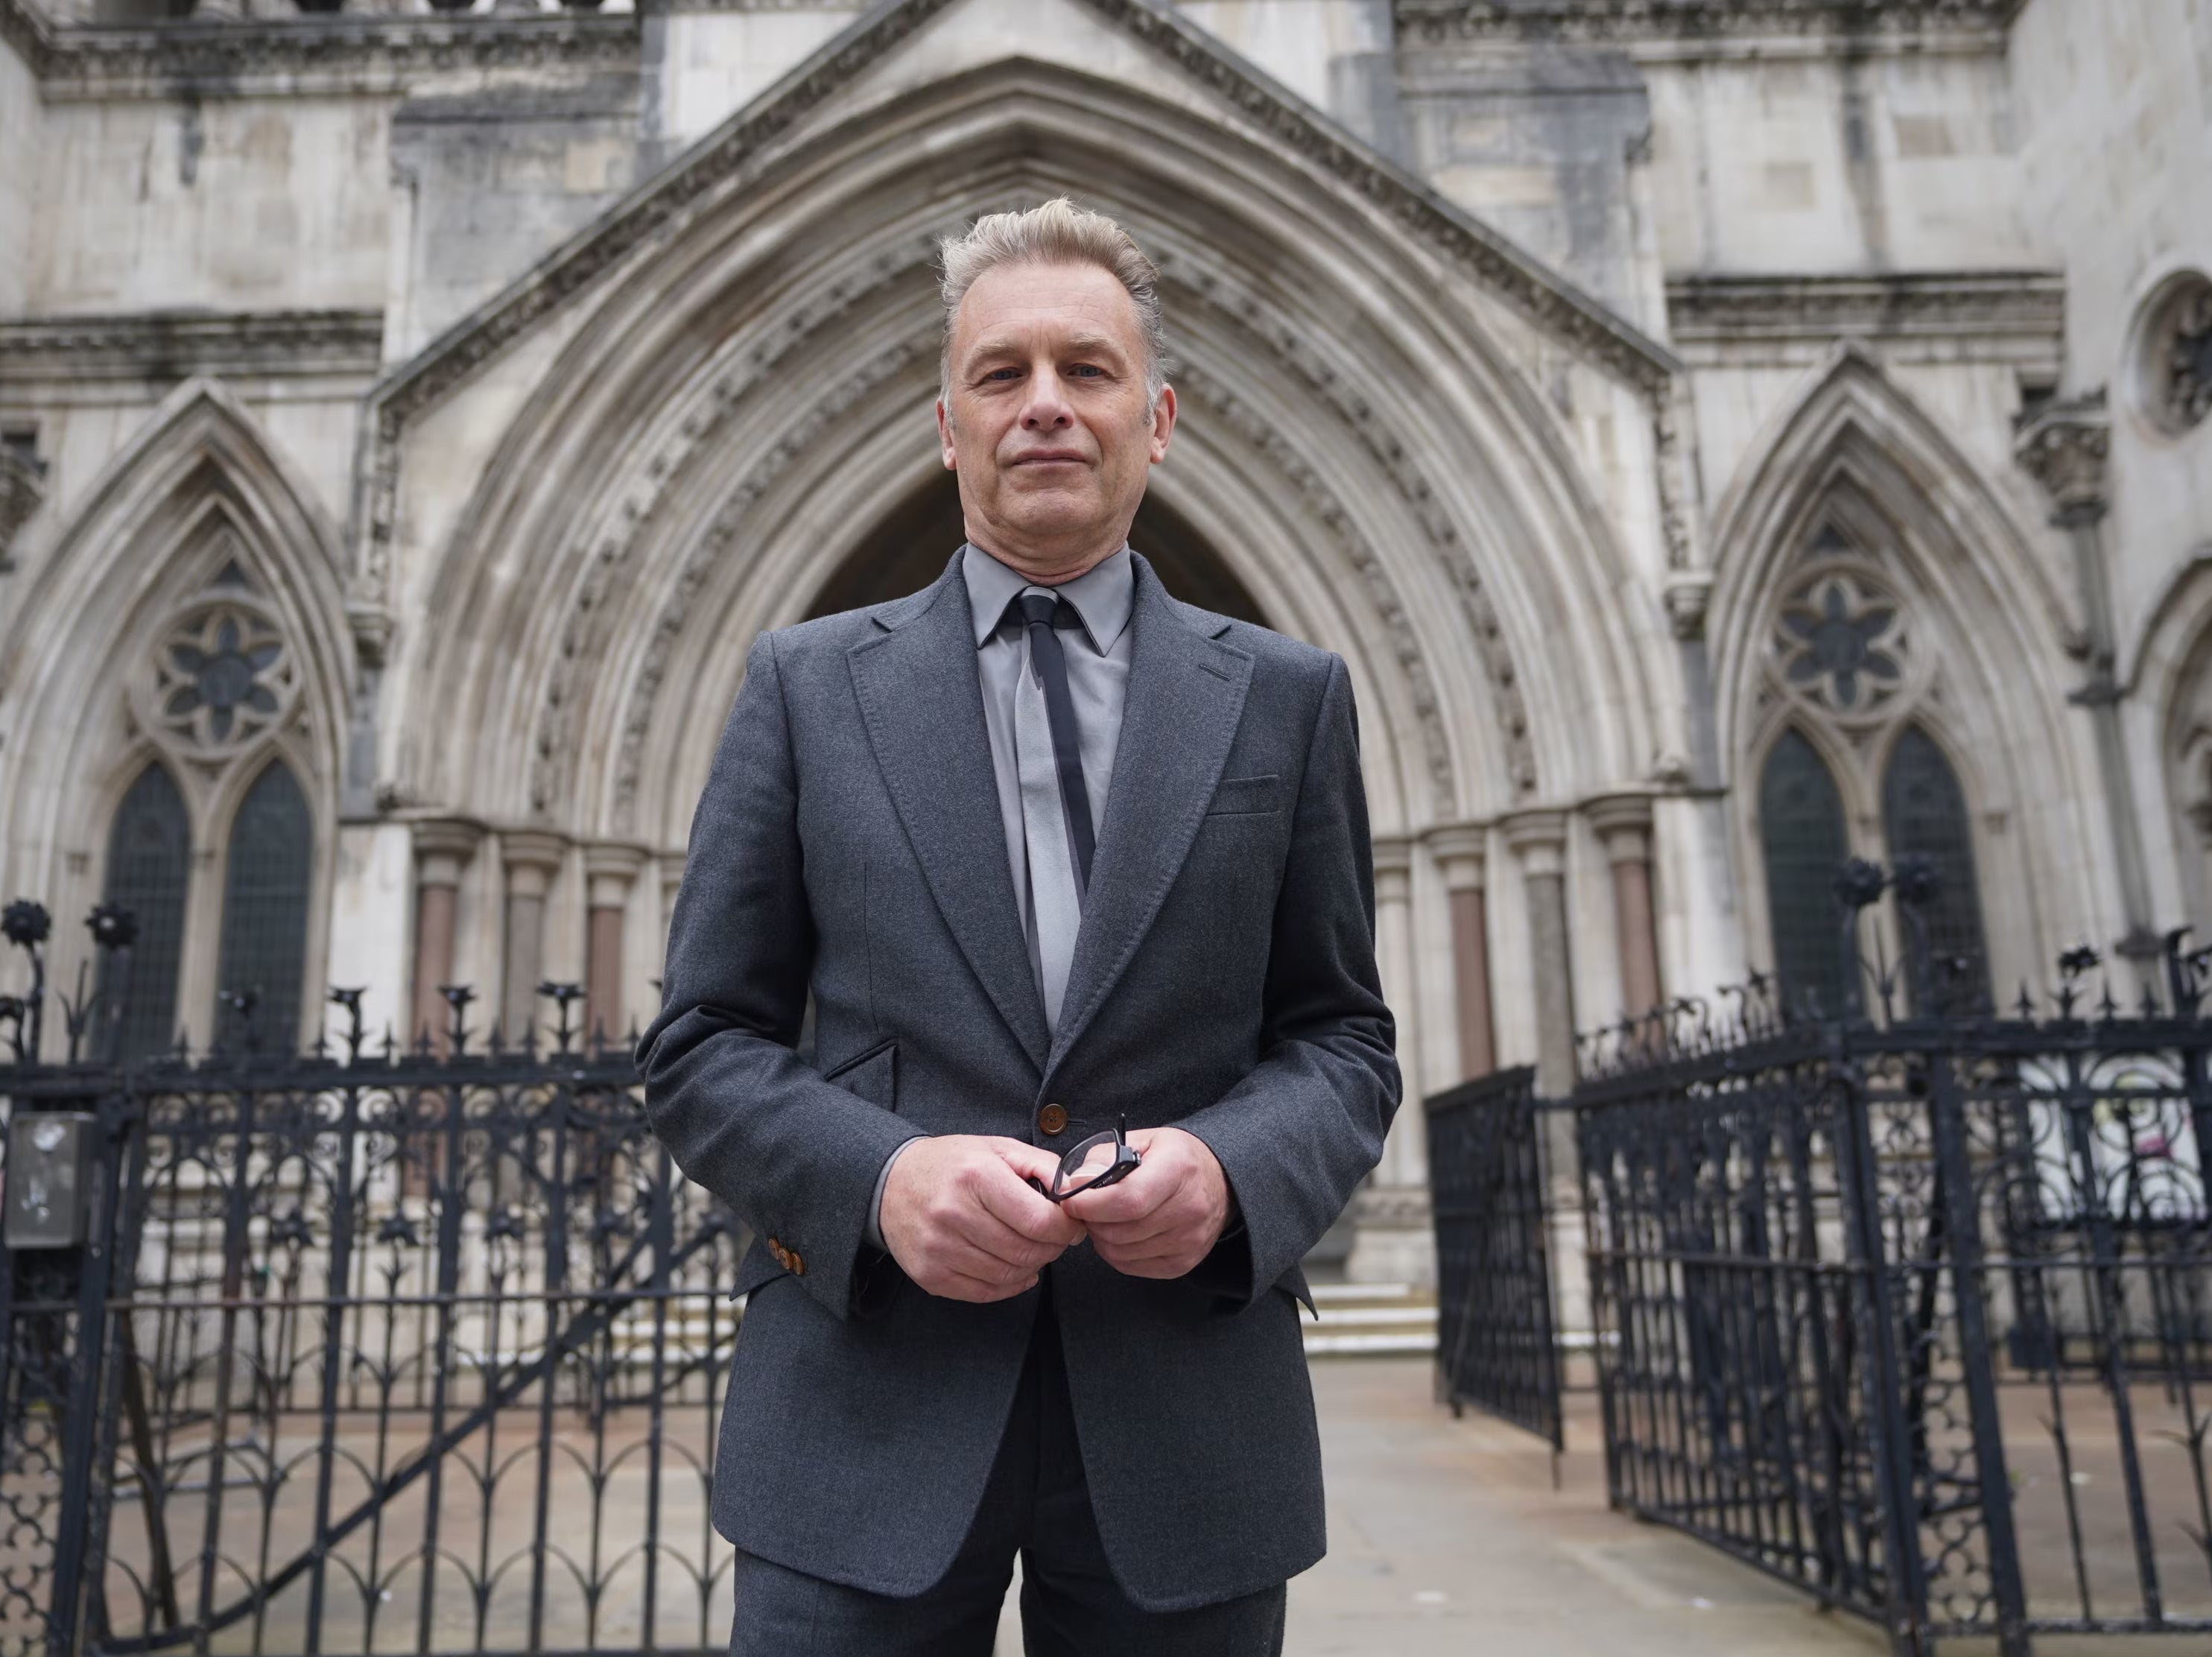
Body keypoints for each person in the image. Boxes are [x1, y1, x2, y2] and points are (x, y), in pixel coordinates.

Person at [638, 196, 1399, 1656]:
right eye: (1002, 373)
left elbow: (1343, 1038)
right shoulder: (802, 685)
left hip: (1187, 1437)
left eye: (1087, 369)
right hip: (863, 1423)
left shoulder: (1290, 696)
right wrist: (881, 1180)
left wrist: (1230, 1172)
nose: (1045, 403)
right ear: (946, 423)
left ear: (1158, 417)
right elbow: (700, 1045)